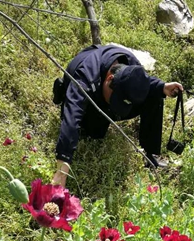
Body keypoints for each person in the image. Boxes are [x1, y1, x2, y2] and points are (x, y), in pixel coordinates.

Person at [52, 44, 184, 187]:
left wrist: (162, 87)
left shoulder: (131, 64)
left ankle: (151, 154)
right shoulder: (85, 77)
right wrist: (63, 166)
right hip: (92, 100)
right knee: (94, 133)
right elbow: (72, 117)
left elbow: (143, 83)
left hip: (105, 96)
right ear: (109, 79)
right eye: (116, 101)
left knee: (155, 94)